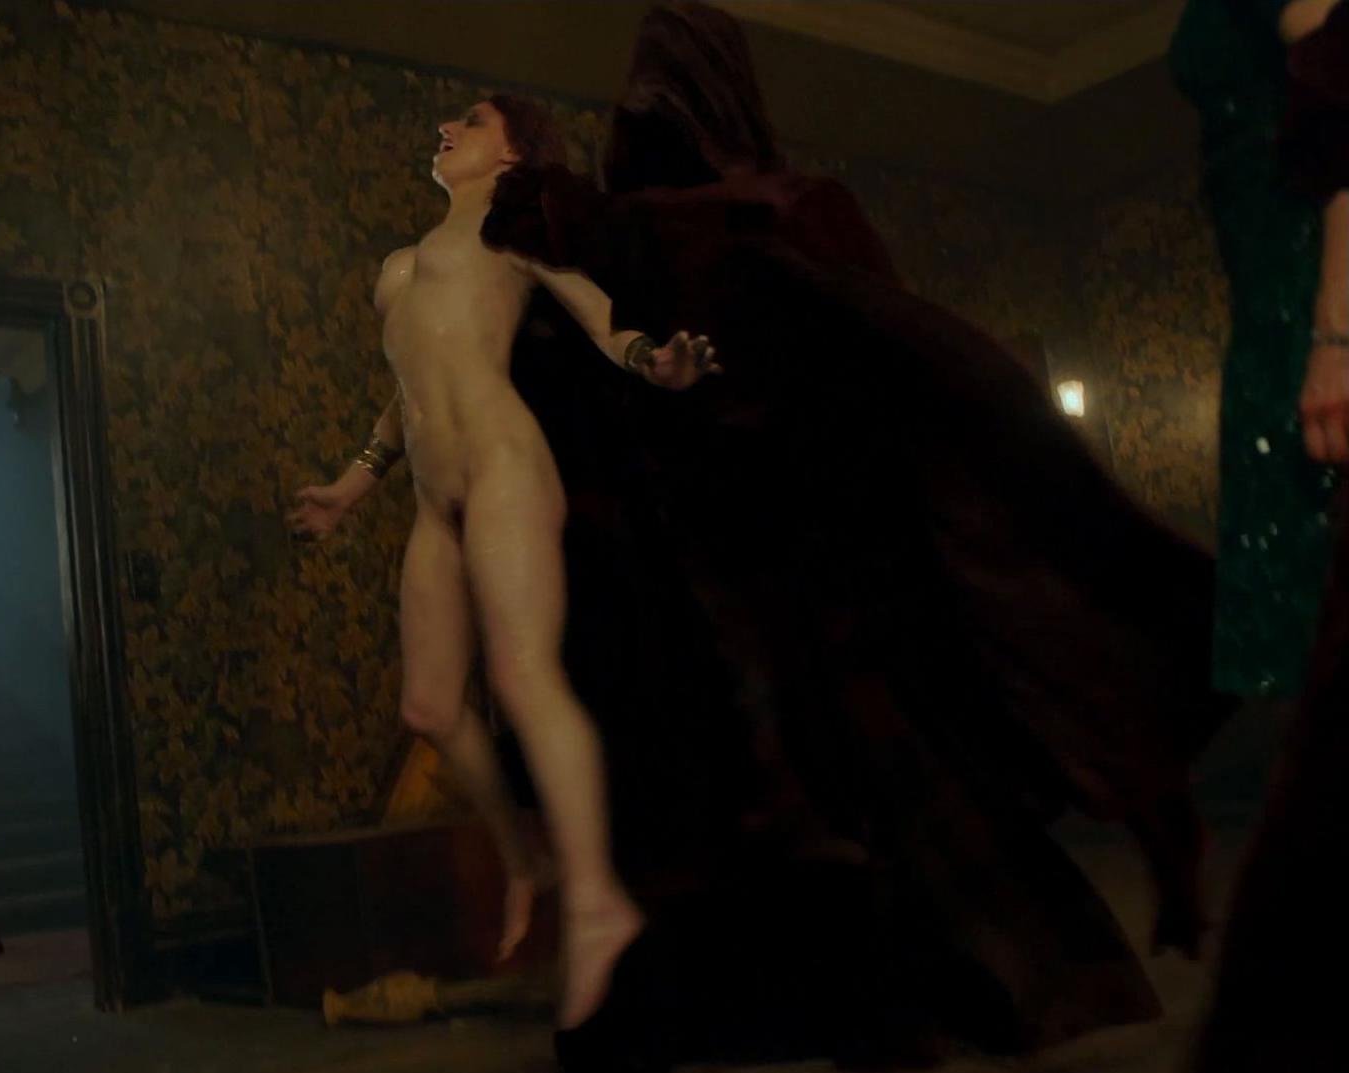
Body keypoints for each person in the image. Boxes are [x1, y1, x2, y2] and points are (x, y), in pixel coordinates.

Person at [470, 4, 1236, 1069]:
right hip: (754, 604)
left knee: (782, 822)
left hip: (721, 615)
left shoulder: (626, 242)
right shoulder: (730, 223)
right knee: (832, 818)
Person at [287, 92, 715, 1029]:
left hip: (504, 468)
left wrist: (655, 361)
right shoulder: (399, 269)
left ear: (514, 155)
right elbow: (406, 392)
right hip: (431, 500)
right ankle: (530, 861)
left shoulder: (513, 241)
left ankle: (599, 902)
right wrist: (350, 486)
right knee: (430, 705)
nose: (447, 128)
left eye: (474, 122)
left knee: (523, 678)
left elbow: (600, 320)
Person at [1181, 2, 1349, 1068]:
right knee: (1309, 645)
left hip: (1312, 304)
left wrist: (1338, 332)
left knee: (1330, 629)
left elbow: (1344, 111)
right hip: (1273, 306)